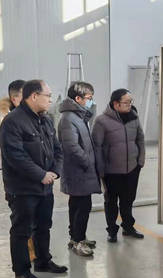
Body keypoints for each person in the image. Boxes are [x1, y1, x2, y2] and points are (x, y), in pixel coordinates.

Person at [0, 79, 67, 278]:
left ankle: (43, 261)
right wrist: (40, 174)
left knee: (44, 225)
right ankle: (21, 270)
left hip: (45, 186)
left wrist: (55, 172)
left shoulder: (45, 120)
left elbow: (57, 149)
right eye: (48, 95)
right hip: (23, 189)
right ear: (34, 96)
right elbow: (15, 156)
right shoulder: (12, 121)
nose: (50, 100)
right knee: (22, 230)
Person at [92, 89, 146, 243]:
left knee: (128, 200)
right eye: (126, 102)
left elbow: (140, 139)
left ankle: (128, 227)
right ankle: (112, 230)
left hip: (132, 168)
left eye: (130, 102)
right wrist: (101, 170)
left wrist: (140, 161)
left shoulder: (133, 117)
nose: (130, 105)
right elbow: (97, 147)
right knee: (111, 202)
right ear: (116, 104)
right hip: (111, 171)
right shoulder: (101, 121)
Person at [58, 81, 101, 257]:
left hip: (81, 170)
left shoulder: (76, 117)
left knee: (77, 205)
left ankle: (76, 238)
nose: (91, 101)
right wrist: (87, 162)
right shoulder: (68, 119)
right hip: (78, 171)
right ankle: (78, 241)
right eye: (89, 98)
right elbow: (72, 147)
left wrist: (89, 110)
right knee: (82, 207)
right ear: (78, 99)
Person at [0, 79, 25, 169]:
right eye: (25, 95)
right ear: (14, 99)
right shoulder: (4, 120)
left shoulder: (33, 115)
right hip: (13, 167)